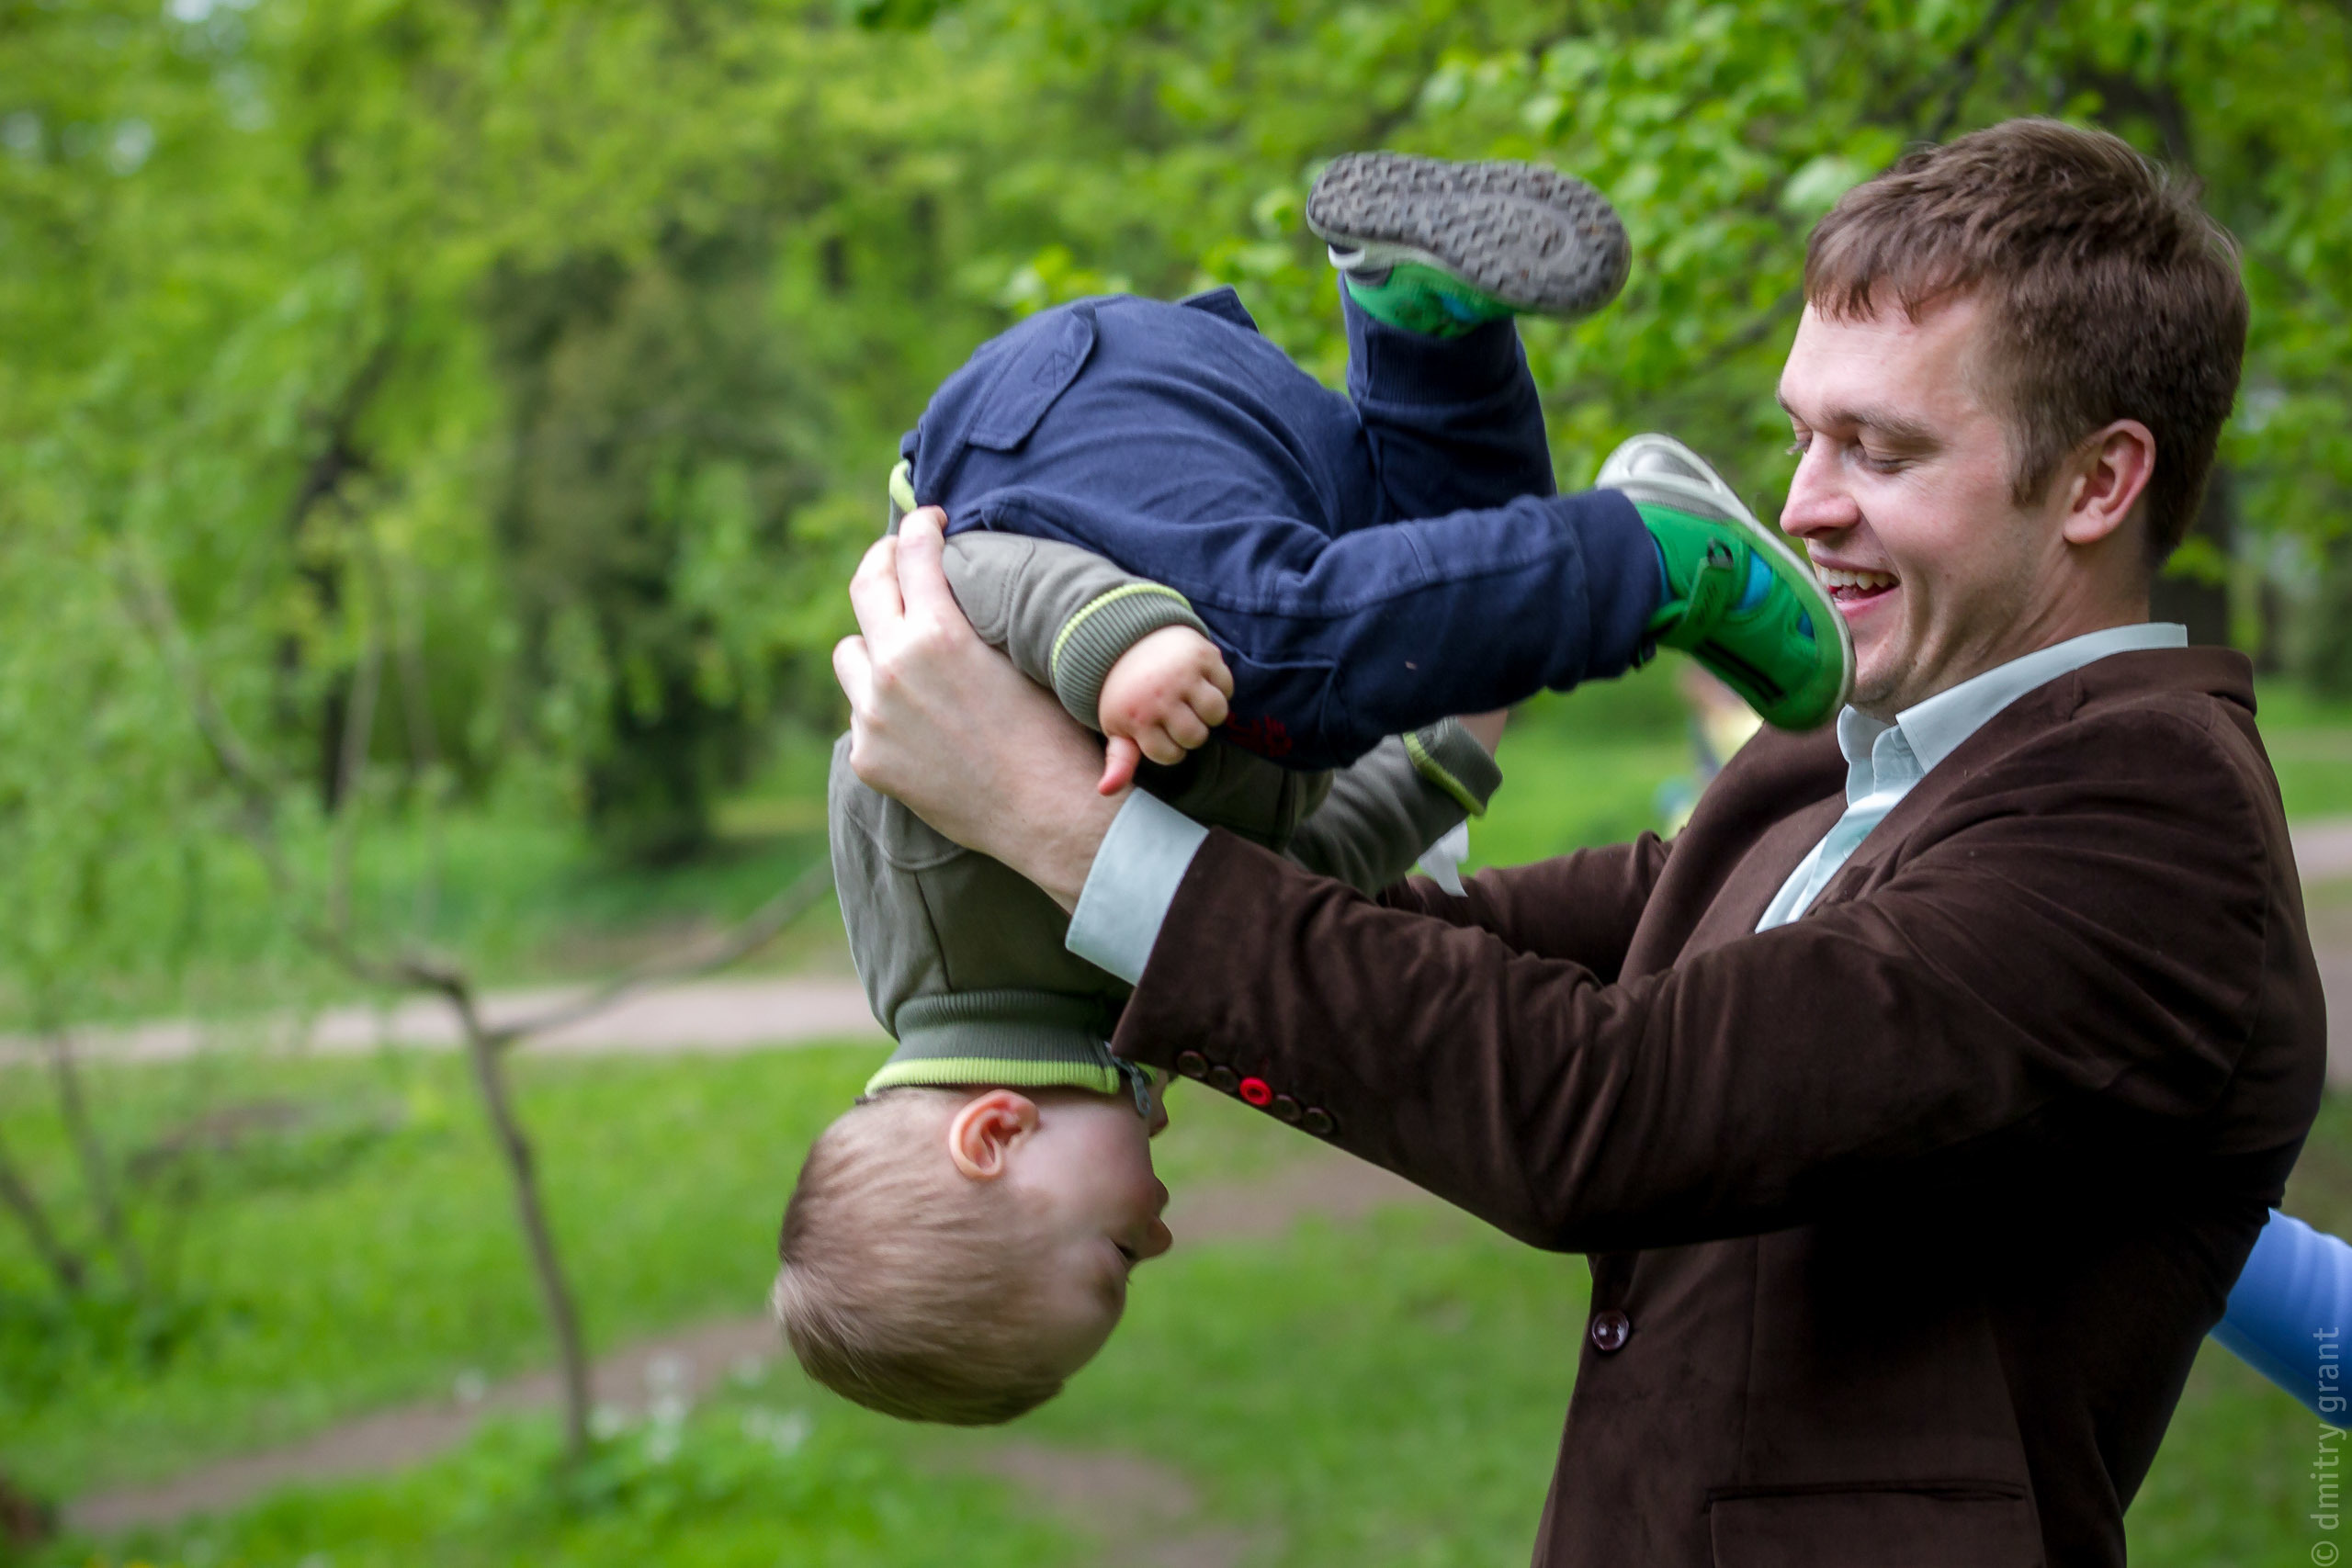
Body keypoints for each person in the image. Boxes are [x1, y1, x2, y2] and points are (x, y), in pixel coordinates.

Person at [831, 119, 2326, 1566]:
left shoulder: (2146, 817)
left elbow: (1610, 1110)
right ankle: (1429, 340)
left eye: (1879, 450)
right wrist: (1044, 934)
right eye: (1806, 436)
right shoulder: (1846, 770)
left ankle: (1594, 524)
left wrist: (1049, 829)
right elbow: (1422, 946)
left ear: (2097, 484)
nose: (1806, 505)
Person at [771, 152, 1851, 1425]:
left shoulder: (939, 927)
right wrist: (1452, 746)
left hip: (1061, 447)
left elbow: (955, 589)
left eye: (1111, 1269)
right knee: (1441, 561)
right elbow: (1301, 886)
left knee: (1275, 669)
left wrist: (1111, 647)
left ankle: (1655, 561)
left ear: (993, 1137)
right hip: (1236, 497)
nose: (1156, 1251)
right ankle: (1417, 316)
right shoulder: (1111, 1007)